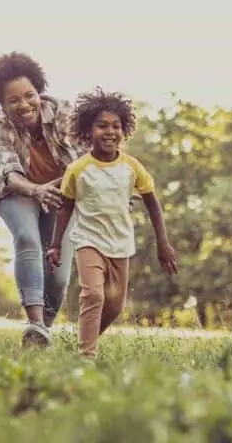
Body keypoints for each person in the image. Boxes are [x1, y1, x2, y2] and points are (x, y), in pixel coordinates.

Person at [46, 87, 179, 359]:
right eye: (102, 126)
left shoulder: (132, 166)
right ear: (88, 130)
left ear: (124, 130)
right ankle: (86, 357)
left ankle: (85, 339)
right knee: (93, 295)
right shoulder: (78, 169)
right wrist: (56, 244)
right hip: (88, 240)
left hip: (120, 242)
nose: (110, 132)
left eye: (116, 126)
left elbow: (152, 203)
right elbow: (66, 206)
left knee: (115, 306)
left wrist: (163, 243)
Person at [0, 52, 83, 347]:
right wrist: (36, 190)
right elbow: (9, 173)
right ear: (2, 103)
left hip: (62, 191)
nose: (24, 105)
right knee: (27, 239)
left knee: (59, 270)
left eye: (29, 95)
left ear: (39, 91)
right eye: (13, 100)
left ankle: (40, 333)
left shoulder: (64, 112)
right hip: (16, 191)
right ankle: (34, 321)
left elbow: (82, 163)